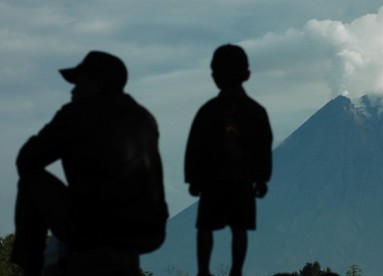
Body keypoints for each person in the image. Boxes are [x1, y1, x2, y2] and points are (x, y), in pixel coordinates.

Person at [10, 51, 169, 276]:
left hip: (97, 228)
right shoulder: (143, 117)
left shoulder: (78, 113)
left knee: (30, 182)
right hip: (149, 230)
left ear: (97, 82)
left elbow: (26, 161)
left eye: (79, 82)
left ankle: (30, 268)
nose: (72, 90)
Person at [185, 44, 273, 276]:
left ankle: (203, 271)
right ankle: (236, 271)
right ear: (247, 75)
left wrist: (193, 179)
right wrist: (262, 179)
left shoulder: (208, 111)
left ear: (214, 76)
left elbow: (194, 146)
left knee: (205, 226)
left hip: (212, 181)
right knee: (239, 227)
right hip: (242, 181)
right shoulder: (256, 111)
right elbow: (264, 147)